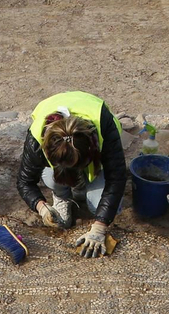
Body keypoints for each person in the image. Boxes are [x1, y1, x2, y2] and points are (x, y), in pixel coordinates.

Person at [16, 91, 127, 258]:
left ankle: (85, 187)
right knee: (51, 179)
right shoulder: (36, 140)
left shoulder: (103, 126)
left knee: (98, 206)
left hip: (96, 142)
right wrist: (41, 207)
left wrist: (99, 227)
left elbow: (116, 178)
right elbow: (25, 181)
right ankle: (62, 196)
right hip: (68, 156)